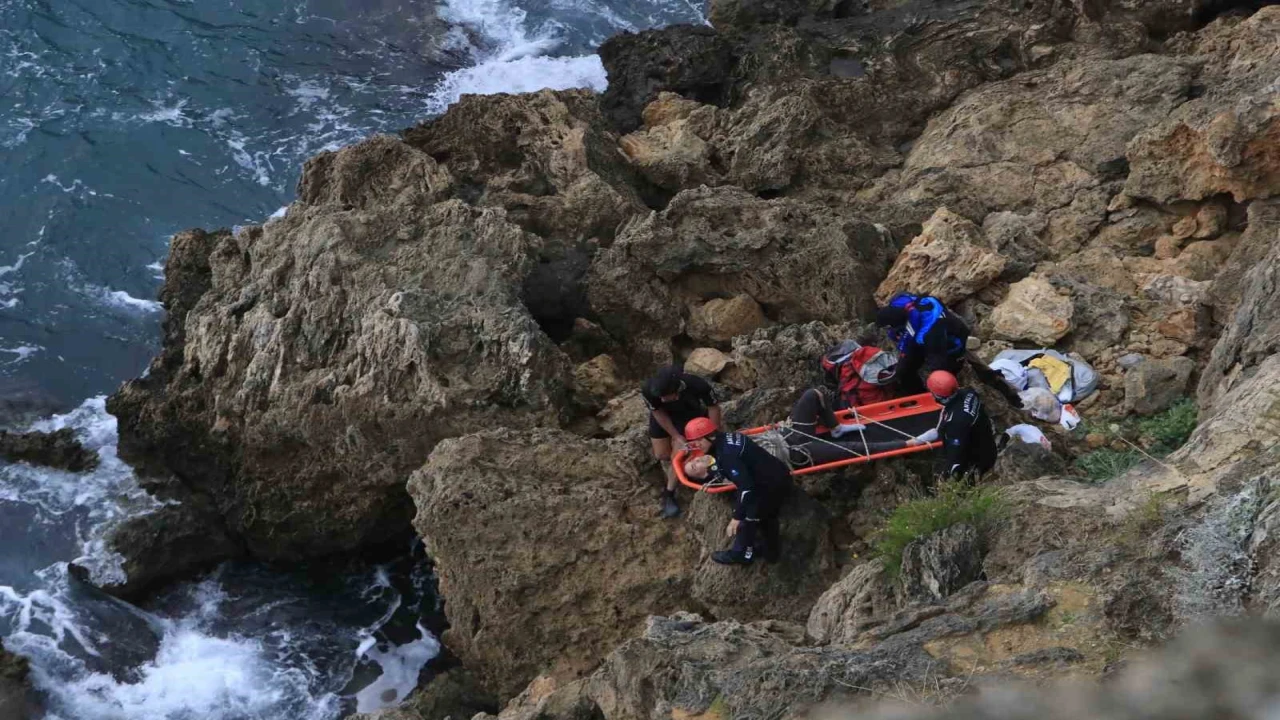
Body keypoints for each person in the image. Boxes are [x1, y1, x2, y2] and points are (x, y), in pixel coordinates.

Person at [683, 417, 792, 565]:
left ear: (710, 436)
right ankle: (770, 552)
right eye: (693, 442)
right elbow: (730, 466)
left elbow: (746, 487)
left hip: (770, 485)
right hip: (777, 475)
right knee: (767, 518)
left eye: (698, 441)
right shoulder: (727, 439)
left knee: (749, 514)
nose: (696, 446)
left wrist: (736, 517)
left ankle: (741, 554)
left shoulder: (727, 454)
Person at [643, 365, 722, 519]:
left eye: (666, 396)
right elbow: (657, 412)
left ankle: (669, 494)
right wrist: (675, 435)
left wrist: (713, 434)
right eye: (660, 397)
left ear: (677, 390)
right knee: (661, 454)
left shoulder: (696, 384)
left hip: (689, 413)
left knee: (677, 455)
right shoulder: (649, 389)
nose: (662, 399)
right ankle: (685, 464)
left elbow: (713, 407)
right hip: (664, 416)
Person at [906, 370, 998, 478]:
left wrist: (949, 473)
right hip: (987, 443)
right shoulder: (969, 393)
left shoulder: (955, 422)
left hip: (978, 458)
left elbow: (956, 453)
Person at [875, 293, 970, 395]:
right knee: (905, 372)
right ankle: (913, 391)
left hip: (951, 344)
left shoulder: (927, 335)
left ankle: (936, 397)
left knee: (942, 378)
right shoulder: (902, 301)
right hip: (944, 328)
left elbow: (938, 363)